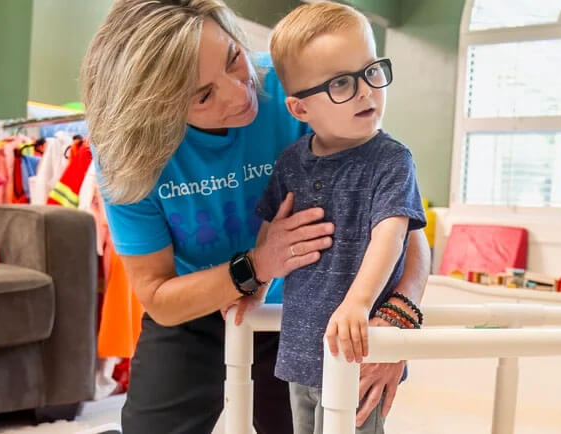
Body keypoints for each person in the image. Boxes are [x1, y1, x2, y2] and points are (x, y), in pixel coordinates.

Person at [79, 1, 431, 433]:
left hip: (299, 309)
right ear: (156, 110)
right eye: (204, 95)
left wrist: (398, 318)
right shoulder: (127, 157)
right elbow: (157, 294)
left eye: (233, 58)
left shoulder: (299, 84)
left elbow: (399, 215)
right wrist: (259, 264)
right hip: (194, 304)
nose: (239, 93)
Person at [230, 3, 426, 433]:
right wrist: (256, 287)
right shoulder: (291, 162)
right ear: (300, 110)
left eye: (370, 71)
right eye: (341, 83)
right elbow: (271, 231)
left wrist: (358, 302)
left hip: (358, 348)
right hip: (300, 348)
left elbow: (391, 236)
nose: (366, 91)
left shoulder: (392, 160)